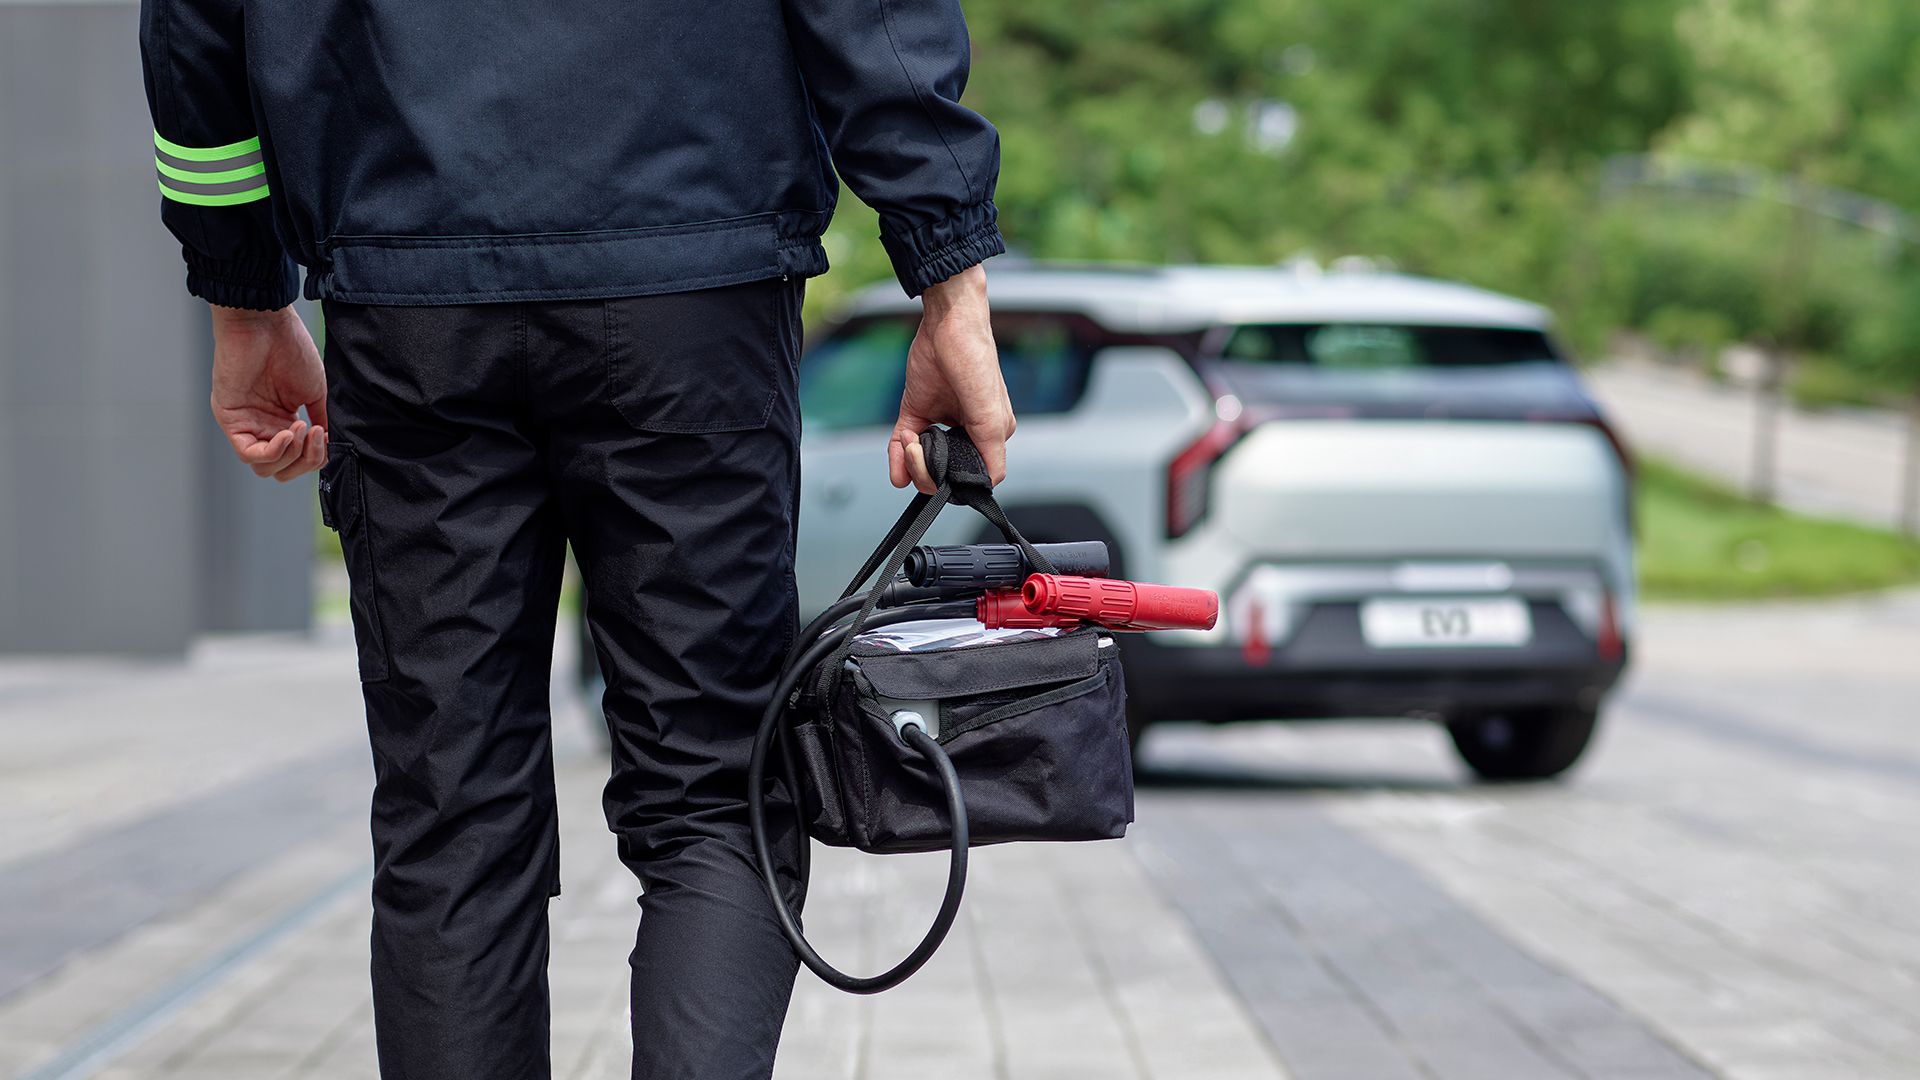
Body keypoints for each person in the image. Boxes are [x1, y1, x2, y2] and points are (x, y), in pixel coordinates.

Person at [137, 0, 1014, 1075]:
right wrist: (949, 270)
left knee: (451, 813)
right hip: (693, 266)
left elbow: (193, 28)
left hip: (411, 279)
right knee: (714, 792)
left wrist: (242, 294)